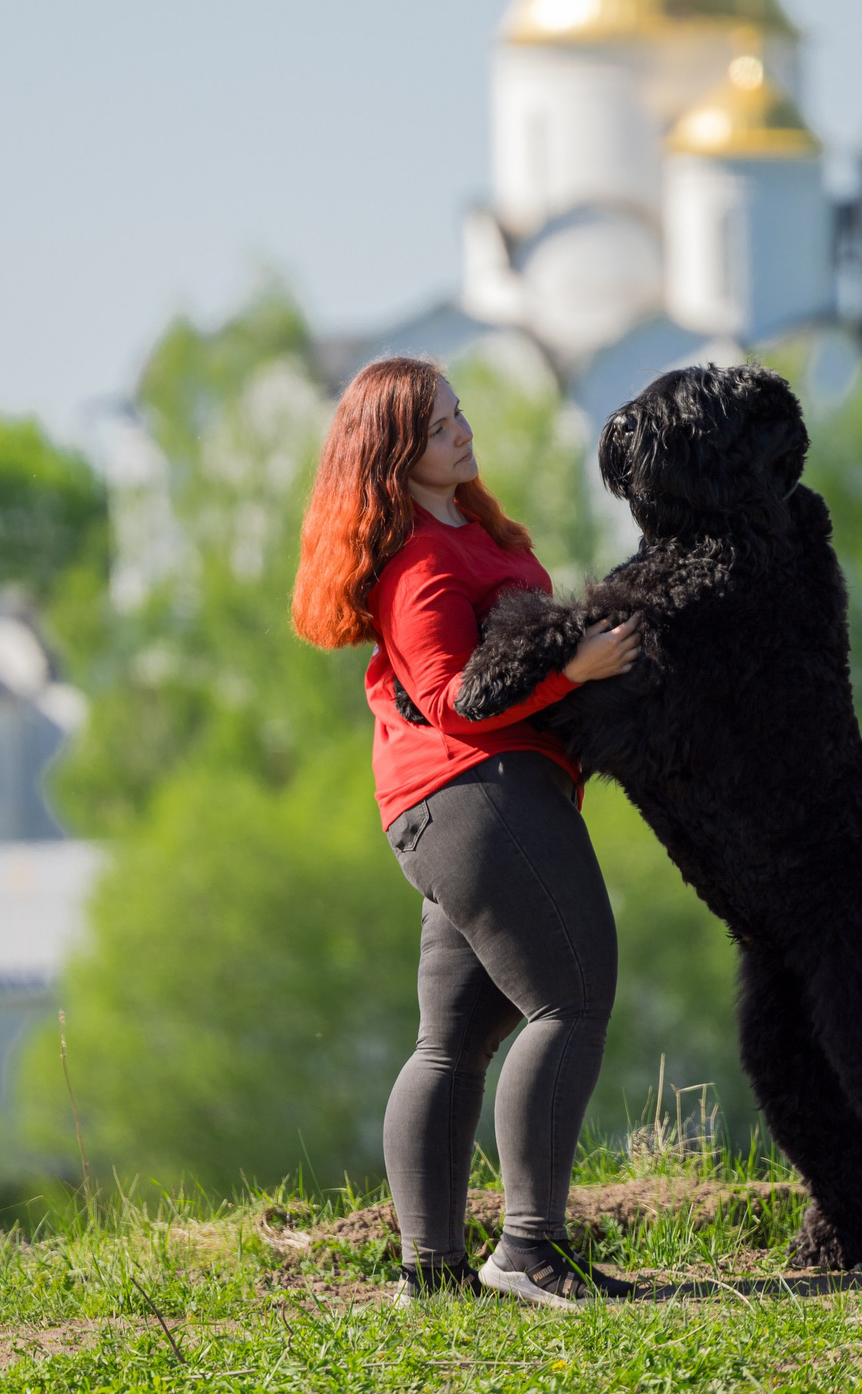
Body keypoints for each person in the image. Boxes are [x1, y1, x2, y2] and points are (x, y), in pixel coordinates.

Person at [292, 357, 642, 1307]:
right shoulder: (418, 561)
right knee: (570, 999)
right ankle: (528, 1250)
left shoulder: (465, 528)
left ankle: (432, 1271)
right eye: (442, 425)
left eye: (459, 414)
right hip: (474, 794)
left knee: (451, 1040)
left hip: (457, 805)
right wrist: (578, 672)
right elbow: (452, 700)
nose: (463, 431)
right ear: (395, 452)